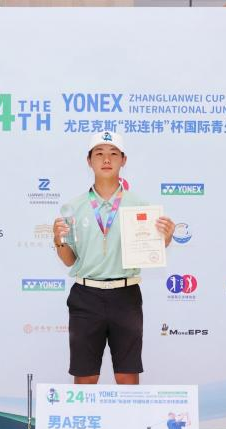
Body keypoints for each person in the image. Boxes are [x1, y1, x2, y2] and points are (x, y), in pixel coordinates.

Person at [52, 132, 175, 385]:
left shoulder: (140, 206)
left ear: (123, 160)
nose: (106, 159)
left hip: (126, 296)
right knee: (85, 376)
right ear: (89, 161)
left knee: (127, 374)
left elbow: (151, 250)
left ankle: (129, 415)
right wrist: (58, 239)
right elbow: (69, 260)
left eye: (113, 154)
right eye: (99, 154)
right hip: (86, 297)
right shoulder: (73, 207)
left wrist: (166, 238)